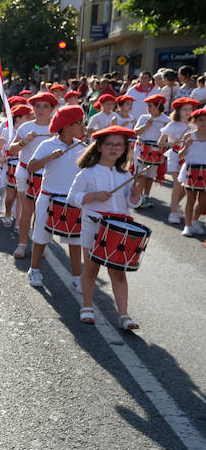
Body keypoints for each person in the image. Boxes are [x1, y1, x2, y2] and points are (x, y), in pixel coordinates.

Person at [67, 126, 144, 330]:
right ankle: (87, 306)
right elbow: (72, 198)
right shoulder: (87, 173)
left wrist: (136, 195)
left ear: (125, 149)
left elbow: (130, 203)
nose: (114, 148)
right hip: (94, 225)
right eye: (109, 144)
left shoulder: (125, 174)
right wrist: (93, 196)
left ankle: (124, 315)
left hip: (119, 227)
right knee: (91, 269)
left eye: (119, 145)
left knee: (118, 272)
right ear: (99, 147)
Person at [25, 105, 87, 291]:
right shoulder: (48, 145)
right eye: (80, 123)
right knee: (40, 237)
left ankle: (77, 277)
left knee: (75, 241)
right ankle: (34, 270)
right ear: (67, 126)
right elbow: (31, 167)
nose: (83, 126)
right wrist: (49, 158)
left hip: (72, 200)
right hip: (48, 198)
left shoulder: (82, 147)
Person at [9, 92, 57, 258]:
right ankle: (22, 244)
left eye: (45, 106)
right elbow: (11, 150)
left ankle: (38, 244)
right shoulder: (25, 127)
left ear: (52, 109)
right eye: (37, 106)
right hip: (25, 171)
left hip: (48, 174)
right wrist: (24, 141)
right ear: (32, 108)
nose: (41, 110)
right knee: (27, 210)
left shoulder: (58, 129)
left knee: (41, 211)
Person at [161, 97, 197, 223]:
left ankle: (174, 204)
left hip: (189, 157)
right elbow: (160, 143)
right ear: (178, 111)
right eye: (184, 109)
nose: (188, 112)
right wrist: (172, 143)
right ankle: (174, 212)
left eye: (190, 109)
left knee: (185, 186)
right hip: (174, 155)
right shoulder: (172, 124)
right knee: (177, 184)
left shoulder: (195, 125)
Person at [132, 94, 170, 208]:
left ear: (158, 107)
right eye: (147, 106)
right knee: (141, 175)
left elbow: (170, 138)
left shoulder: (166, 120)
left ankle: (146, 197)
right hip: (141, 147)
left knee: (150, 176)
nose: (148, 109)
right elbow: (136, 132)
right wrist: (145, 126)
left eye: (150, 106)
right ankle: (136, 198)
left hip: (157, 150)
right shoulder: (144, 117)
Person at [178, 107, 206, 237]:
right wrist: (186, 146)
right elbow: (180, 156)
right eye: (200, 120)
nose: (204, 123)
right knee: (190, 200)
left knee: (203, 201)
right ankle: (187, 226)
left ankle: (194, 222)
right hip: (191, 170)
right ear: (195, 121)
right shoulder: (189, 136)